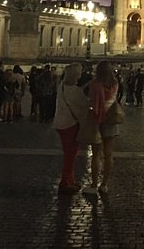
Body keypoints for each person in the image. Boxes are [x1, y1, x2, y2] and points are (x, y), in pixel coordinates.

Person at [82, 61, 120, 197]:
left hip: (97, 120)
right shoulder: (115, 84)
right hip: (111, 120)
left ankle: (93, 184)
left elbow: (87, 96)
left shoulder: (95, 84)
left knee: (96, 154)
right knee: (109, 154)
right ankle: (104, 184)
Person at [54, 63, 89, 193]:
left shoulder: (61, 86)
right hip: (70, 124)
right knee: (70, 155)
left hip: (59, 123)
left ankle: (71, 180)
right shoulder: (76, 91)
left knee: (68, 153)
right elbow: (85, 105)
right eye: (79, 73)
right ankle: (65, 182)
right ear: (76, 75)